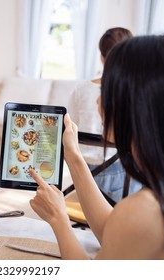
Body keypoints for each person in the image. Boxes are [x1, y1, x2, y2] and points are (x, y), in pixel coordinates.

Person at [29, 33, 164, 259]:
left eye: (107, 87)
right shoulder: (157, 197)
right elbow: (116, 234)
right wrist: (73, 155)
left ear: (135, 106)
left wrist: (59, 219)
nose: (98, 100)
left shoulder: (143, 211)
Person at [68, 27, 141, 203]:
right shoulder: (136, 90)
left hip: (84, 177)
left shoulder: (81, 89)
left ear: (102, 57)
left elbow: (69, 128)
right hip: (121, 178)